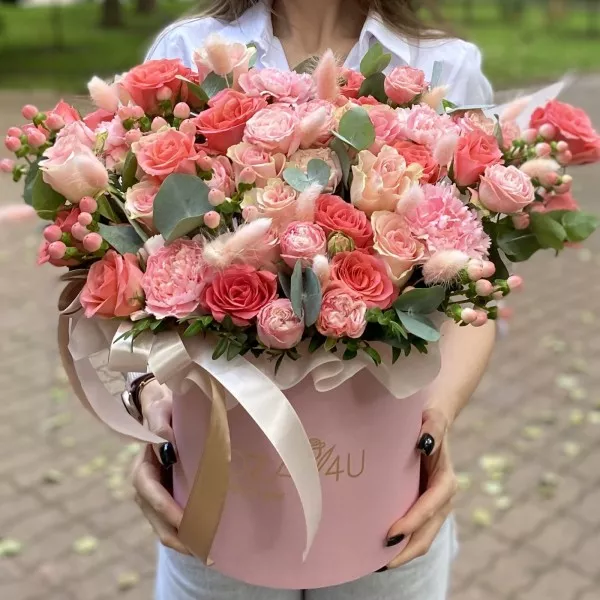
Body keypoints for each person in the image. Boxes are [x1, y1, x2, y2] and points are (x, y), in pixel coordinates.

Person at [129, 1, 497, 598]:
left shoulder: (445, 65)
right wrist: (151, 403)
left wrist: (438, 420)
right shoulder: (185, 50)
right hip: (221, 491)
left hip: (382, 491)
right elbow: (135, 280)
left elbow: (477, 289)